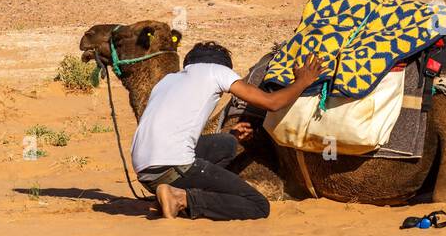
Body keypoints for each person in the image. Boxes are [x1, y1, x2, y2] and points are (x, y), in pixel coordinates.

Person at [130, 41, 323, 220]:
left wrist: (232, 136)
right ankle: (183, 199)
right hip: (173, 168)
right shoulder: (217, 71)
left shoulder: (167, 81)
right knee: (258, 205)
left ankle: (166, 195)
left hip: (145, 173)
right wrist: (303, 82)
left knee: (226, 144)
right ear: (224, 66)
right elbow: (271, 103)